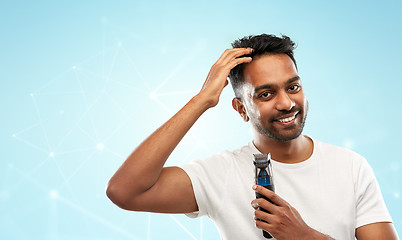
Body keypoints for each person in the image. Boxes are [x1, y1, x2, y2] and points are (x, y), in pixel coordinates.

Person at [106, 34, 398, 240]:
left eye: (293, 87)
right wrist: (202, 100)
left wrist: (304, 237)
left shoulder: (351, 166)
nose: (286, 103)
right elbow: (124, 191)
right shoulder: (219, 174)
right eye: (266, 94)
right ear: (241, 108)